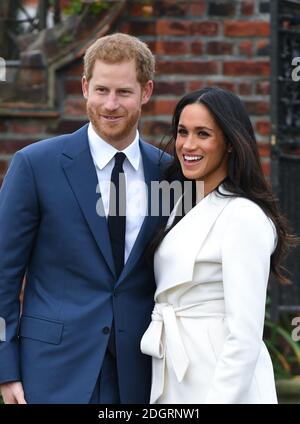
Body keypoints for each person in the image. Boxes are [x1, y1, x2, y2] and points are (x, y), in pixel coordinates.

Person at [0, 33, 171, 404]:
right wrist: (5, 368)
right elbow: (2, 275)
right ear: (84, 88)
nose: (110, 104)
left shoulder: (168, 173)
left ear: (146, 92)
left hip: (141, 373)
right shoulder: (34, 165)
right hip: (51, 371)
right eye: (101, 90)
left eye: (124, 92)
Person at [141, 87, 297, 404]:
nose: (188, 145)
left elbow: (244, 337)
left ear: (229, 142)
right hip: (175, 371)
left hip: (221, 382)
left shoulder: (243, 216)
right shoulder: (181, 205)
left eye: (203, 134)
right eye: (182, 132)